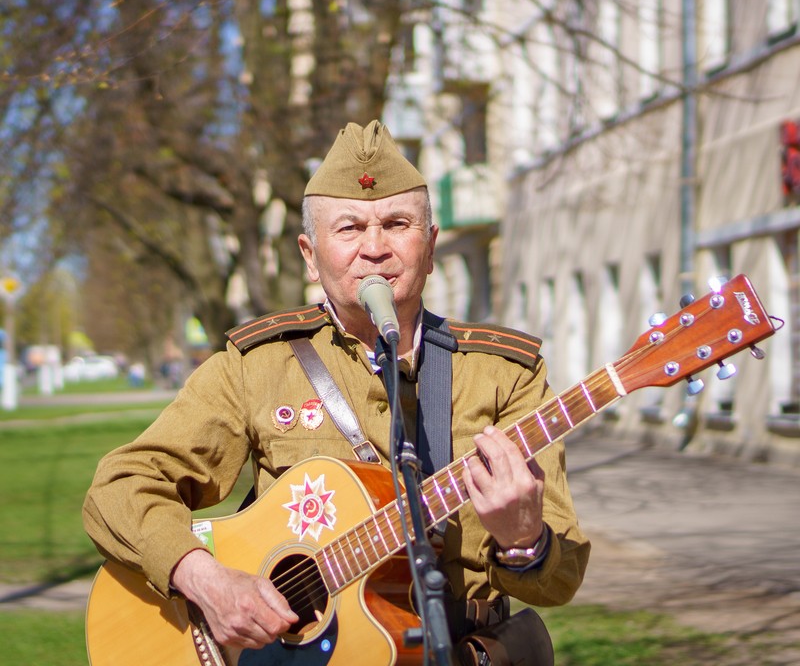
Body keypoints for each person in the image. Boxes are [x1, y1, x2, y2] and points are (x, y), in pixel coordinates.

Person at [83, 120, 590, 663]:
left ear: (432, 244)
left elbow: (555, 585)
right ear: (309, 253)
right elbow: (120, 486)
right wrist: (202, 577)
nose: (374, 249)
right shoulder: (258, 365)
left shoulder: (504, 373)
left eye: (397, 224)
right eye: (349, 229)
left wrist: (522, 542)